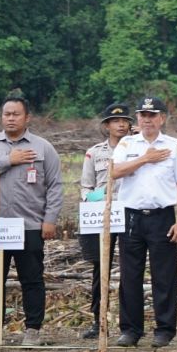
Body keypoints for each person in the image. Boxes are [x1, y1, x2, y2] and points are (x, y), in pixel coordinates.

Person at [0, 96, 63, 345]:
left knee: (31, 278)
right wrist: (8, 160)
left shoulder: (42, 147)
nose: (10, 118)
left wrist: (50, 219)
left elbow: (54, 185)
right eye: (6, 114)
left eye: (16, 114)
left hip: (29, 224)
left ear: (27, 118)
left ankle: (33, 330)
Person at [112, 96, 177, 347]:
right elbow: (115, 172)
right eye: (143, 115)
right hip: (132, 217)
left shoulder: (173, 145)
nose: (147, 120)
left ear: (162, 119)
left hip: (162, 217)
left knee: (164, 276)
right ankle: (130, 329)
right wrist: (145, 158)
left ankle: (165, 330)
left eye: (152, 115)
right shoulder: (126, 143)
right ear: (137, 118)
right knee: (130, 275)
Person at [77, 101, 132, 339]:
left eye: (125, 121)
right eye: (115, 121)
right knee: (101, 270)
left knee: (130, 269)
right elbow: (86, 188)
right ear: (106, 125)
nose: (121, 124)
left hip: (130, 212)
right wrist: (100, 198)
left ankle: (128, 325)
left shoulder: (137, 147)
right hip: (102, 215)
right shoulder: (95, 152)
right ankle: (99, 320)